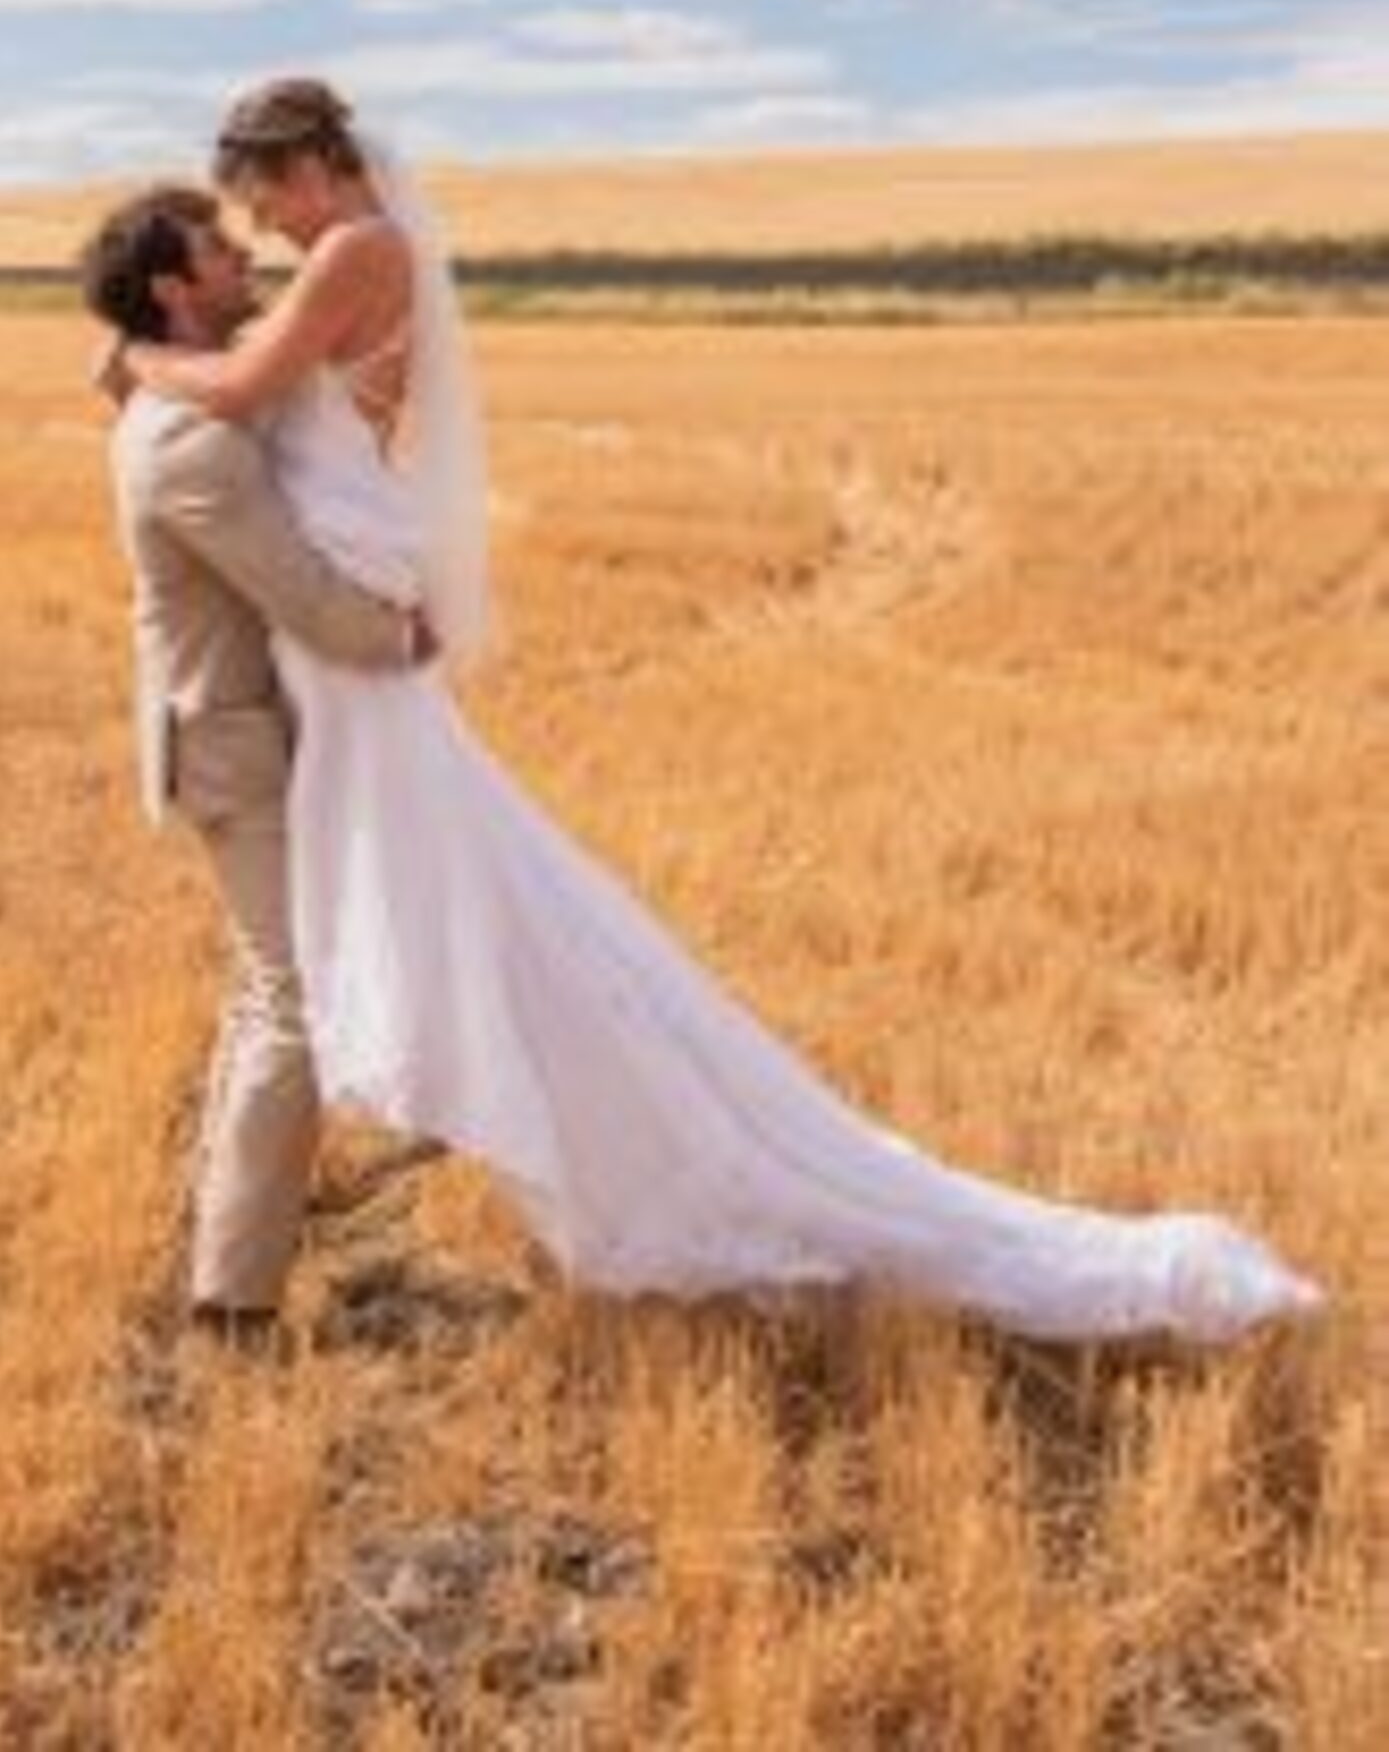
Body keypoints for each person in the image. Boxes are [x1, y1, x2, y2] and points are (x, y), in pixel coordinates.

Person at [103, 81, 1323, 1343]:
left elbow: (247, 387)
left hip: (341, 666)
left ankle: (352, 1198)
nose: (253, 237)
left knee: (385, 953)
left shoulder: (352, 251)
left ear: (308, 163)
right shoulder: (302, 299)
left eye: (255, 201)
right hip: (310, 689)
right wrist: (151, 367)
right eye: (228, 235)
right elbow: (244, 425)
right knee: (391, 945)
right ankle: (360, 1168)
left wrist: (134, 355)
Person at [79, 183, 429, 1336]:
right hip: (229, 746)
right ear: (176, 291)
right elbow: (304, 596)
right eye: (219, 255)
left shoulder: (174, 402)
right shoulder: (186, 443)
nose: (245, 263)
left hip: (227, 735)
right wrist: (403, 634)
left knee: (263, 993)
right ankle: (231, 1302)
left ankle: (225, 1257)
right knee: (292, 1002)